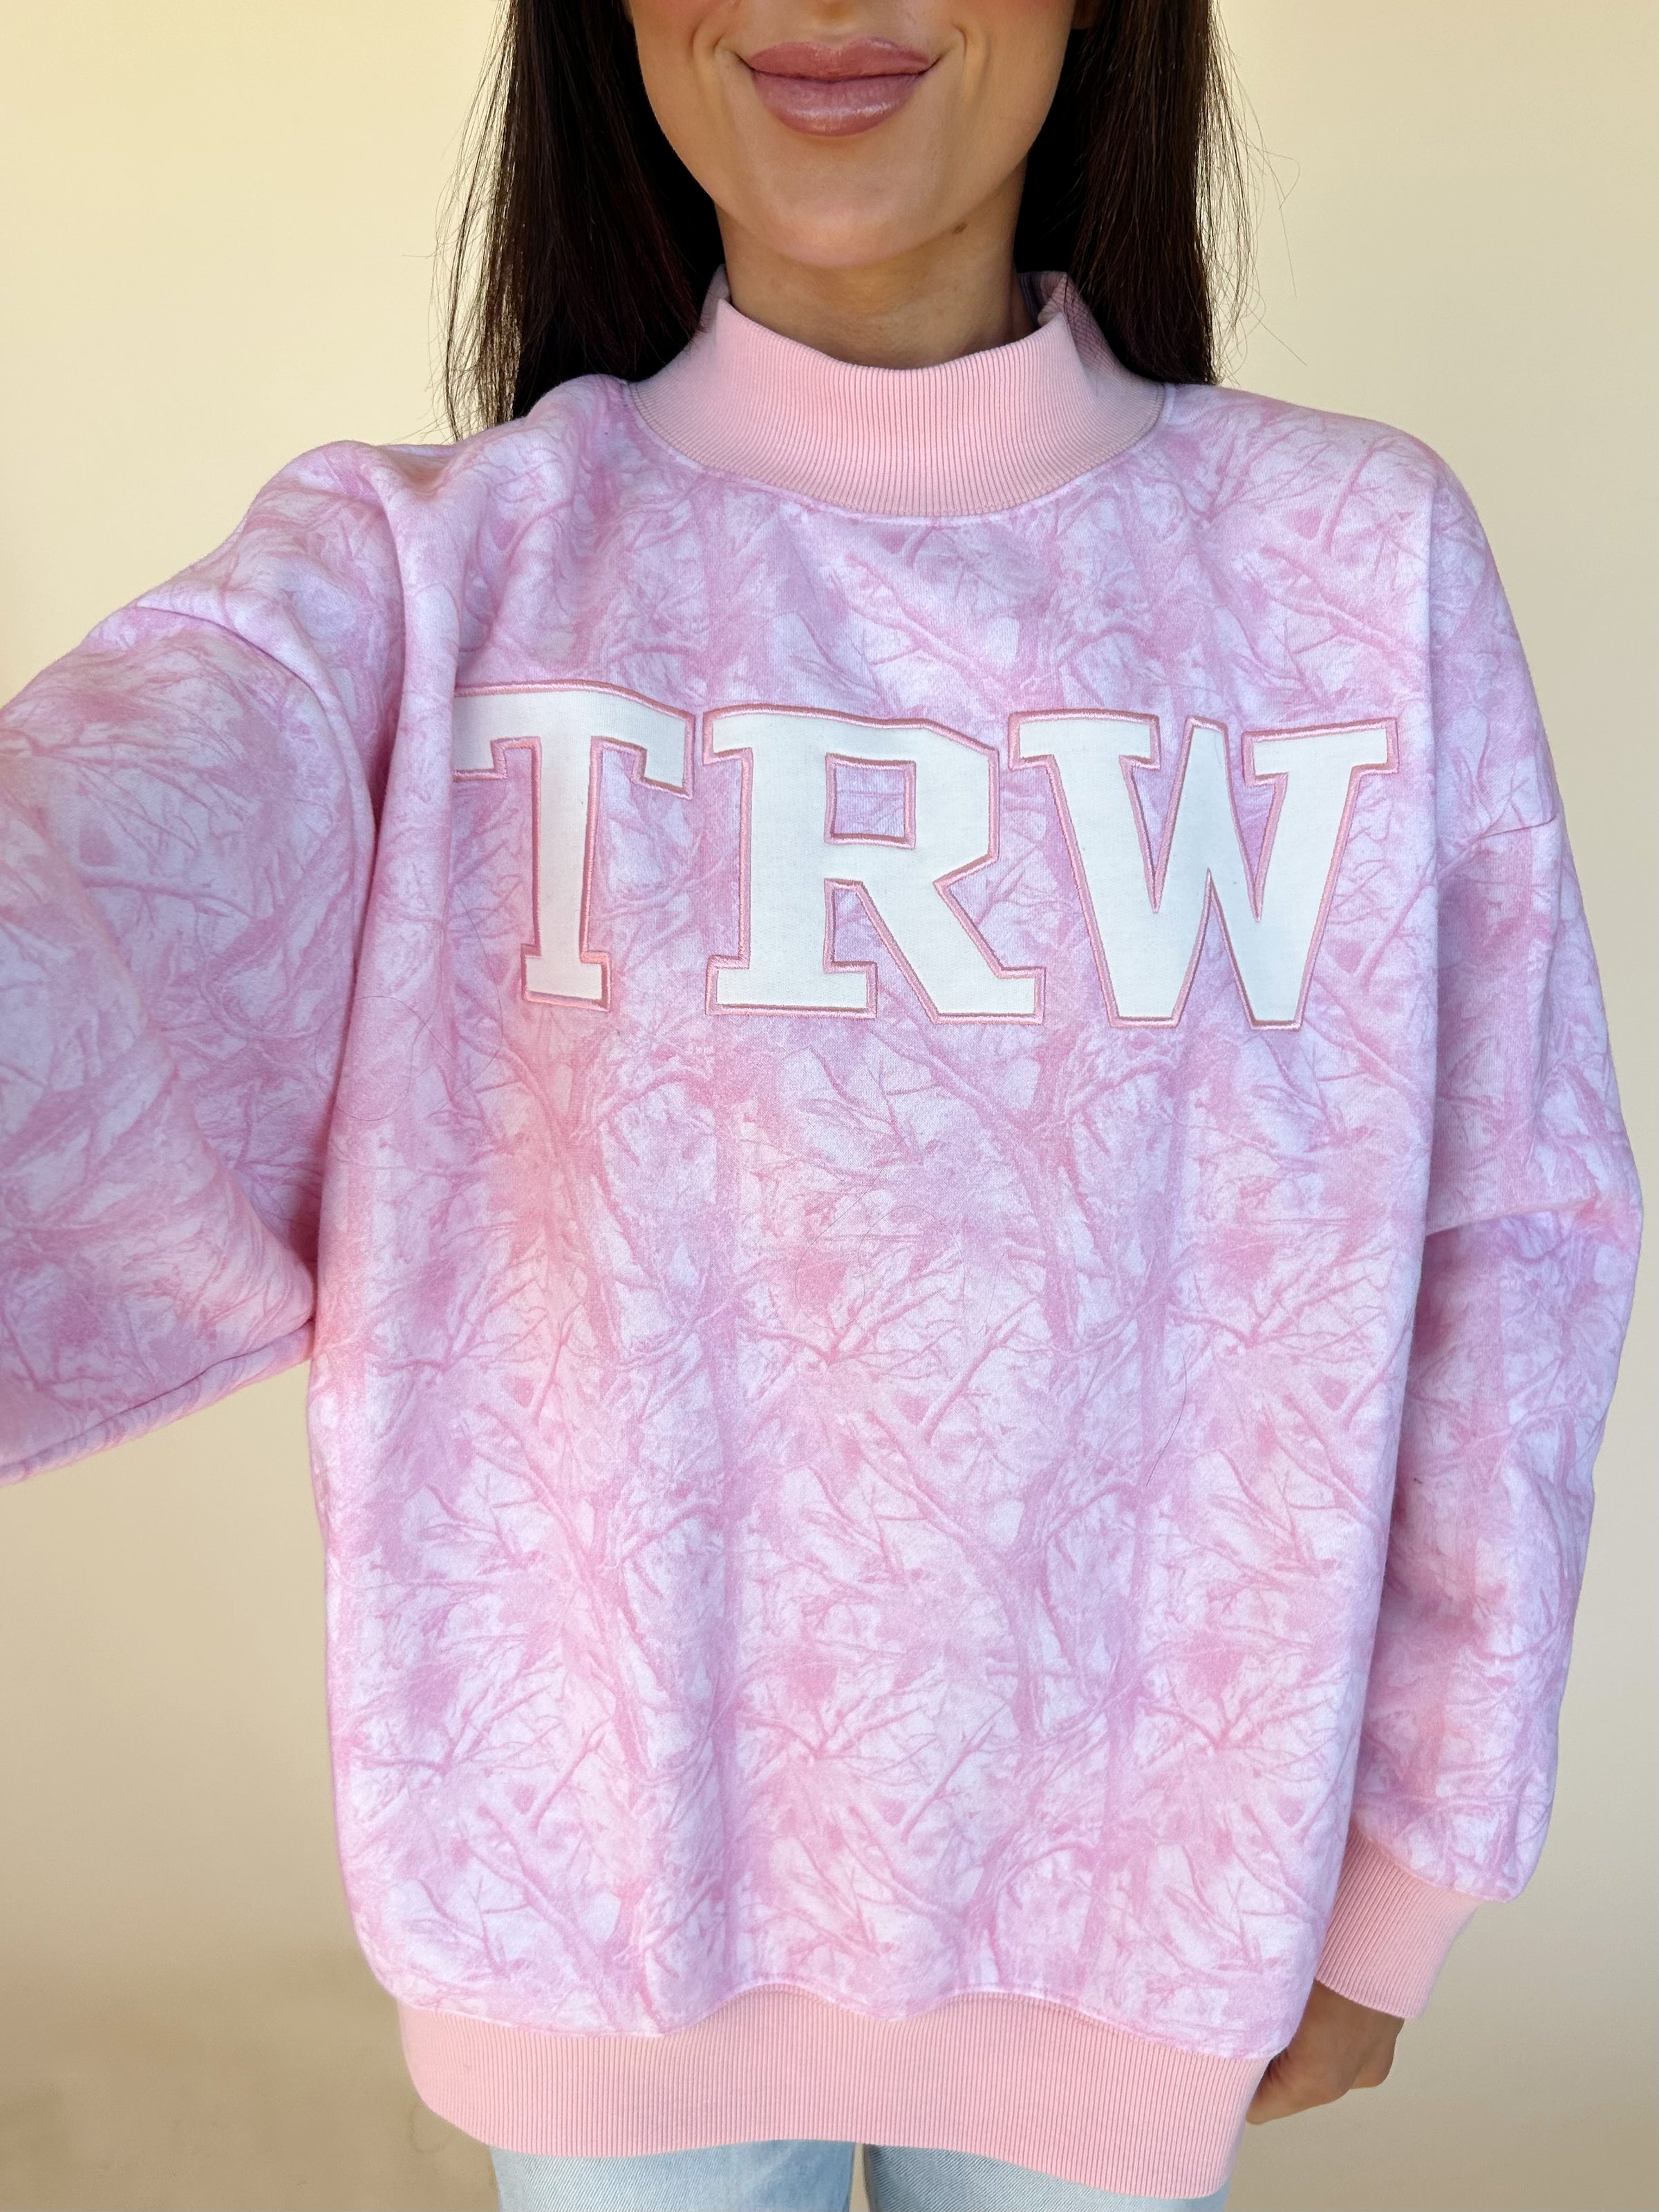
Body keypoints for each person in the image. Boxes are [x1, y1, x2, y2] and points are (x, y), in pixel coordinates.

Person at [0, 0, 1641, 2206]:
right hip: (592, 1934)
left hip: (1155, 1929)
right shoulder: (428, 583)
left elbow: (1516, 1239)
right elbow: (92, 870)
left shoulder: (1351, 571)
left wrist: (1411, 1867)